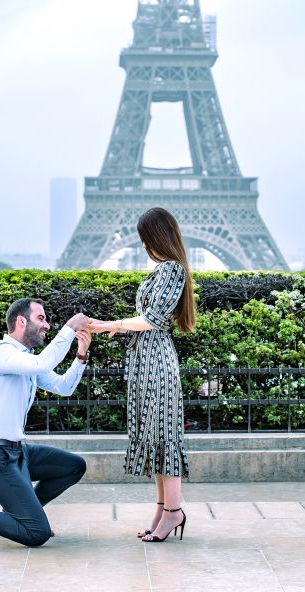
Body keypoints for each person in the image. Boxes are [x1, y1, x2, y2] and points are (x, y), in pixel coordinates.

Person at [0, 299, 92, 546]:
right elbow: (42, 363)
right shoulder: (0, 353)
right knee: (37, 534)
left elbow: (63, 387)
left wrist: (81, 355)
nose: (47, 325)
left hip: (17, 452)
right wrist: (69, 326)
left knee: (74, 466)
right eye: (41, 318)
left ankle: (27, 514)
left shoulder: (26, 359)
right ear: (21, 321)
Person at [88, 207, 196, 542]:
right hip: (145, 360)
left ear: (155, 237)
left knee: (164, 436)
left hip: (156, 362)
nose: (144, 245)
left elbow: (152, 318)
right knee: (155, 436)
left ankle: (173, 511)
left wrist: (113, 325)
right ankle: (163, 510)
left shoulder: (171, 271)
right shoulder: (163, 271)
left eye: (145, 238)